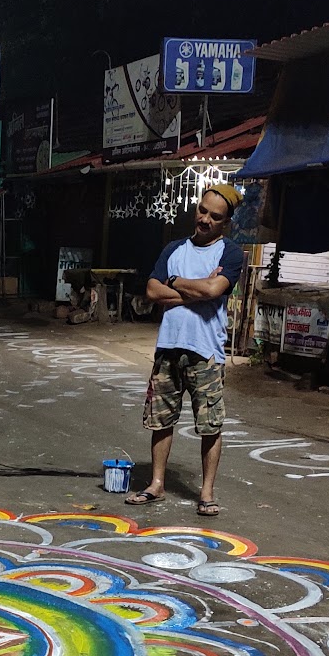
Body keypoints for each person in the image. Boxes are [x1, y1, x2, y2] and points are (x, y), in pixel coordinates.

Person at [125, 184, 245, 516]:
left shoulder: (230, 253)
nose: (205, 219)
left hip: (205, 351)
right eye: (202, 210)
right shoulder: (174, 249)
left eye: (214, 216)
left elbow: (213, 290)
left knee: (210, 424)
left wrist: (175, 282)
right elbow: (153, 291)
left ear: (226, 222)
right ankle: (156, 485)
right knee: (160, 420)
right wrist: (197, 289)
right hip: (168, 346)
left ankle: (206, 493)